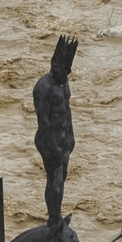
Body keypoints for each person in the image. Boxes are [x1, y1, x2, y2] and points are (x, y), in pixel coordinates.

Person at [33, 35, 78, 226]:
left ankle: (57, 214)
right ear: (55, 66)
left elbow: (67, 110)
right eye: (64, 69)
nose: (67, 73)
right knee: (54, 178)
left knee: (62, 178)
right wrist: (53, 147)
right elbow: (43, 121)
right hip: (49, 141)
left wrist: (71, 136)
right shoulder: (43, 88)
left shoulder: (63, 82)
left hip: (64, 138)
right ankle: (54, 219)